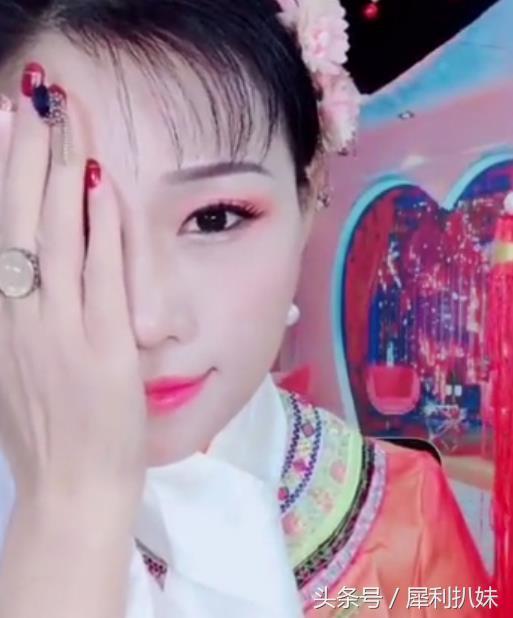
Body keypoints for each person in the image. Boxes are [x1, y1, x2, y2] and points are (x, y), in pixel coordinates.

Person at [0, 1, 491, 617]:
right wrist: (67, 517)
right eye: (68, 225)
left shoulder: (403, 521)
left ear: (308, 195)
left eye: (214, 218)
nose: (147, 321)